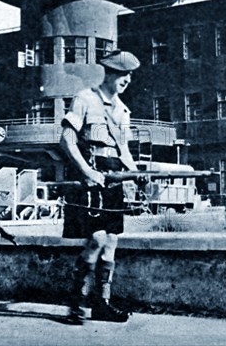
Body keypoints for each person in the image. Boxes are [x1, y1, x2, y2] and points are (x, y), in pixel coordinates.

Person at [60, 49, 141, 324]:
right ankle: (76, 301)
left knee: (112, 241)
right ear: (108, 73)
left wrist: (134, 174)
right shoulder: (85, 99)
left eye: (129, 75)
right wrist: (86, 172)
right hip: (91, 178)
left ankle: (102, 303)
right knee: (96, 239)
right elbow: (67, 141)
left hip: (114, 177)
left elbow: (124, 150)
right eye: (122, 73)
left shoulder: (122, 110)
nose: (126, 79)